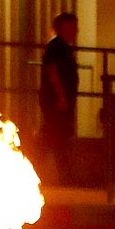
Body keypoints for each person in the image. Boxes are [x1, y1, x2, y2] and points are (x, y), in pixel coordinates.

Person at [39, 13, 80, 184]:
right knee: (58, 139)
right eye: (73, 27)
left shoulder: (62, 47)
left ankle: (61, 175)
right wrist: (61, 96)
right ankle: (62, 177)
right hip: (56, 103)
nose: (76, 31)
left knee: (58, 139)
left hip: (61, 102)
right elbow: (52, 70)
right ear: (64, 27)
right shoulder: (56, 46)